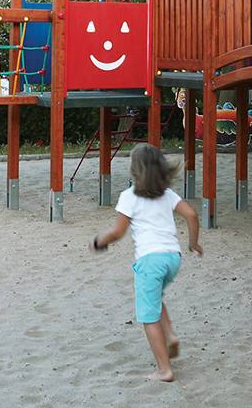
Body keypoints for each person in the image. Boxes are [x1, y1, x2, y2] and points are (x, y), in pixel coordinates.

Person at [91, 143, 202, 382]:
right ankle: (170, 334)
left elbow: (118, 232)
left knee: (147, 316)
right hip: (173, 258)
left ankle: (164, 369)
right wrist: (193, 243)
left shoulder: (129, 197)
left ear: (134, 171)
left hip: (149, 261)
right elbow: (192, 215)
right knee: (155, 297)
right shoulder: (168, 194)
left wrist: (100, 240)